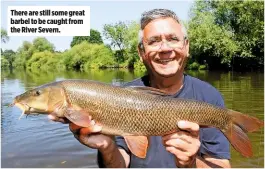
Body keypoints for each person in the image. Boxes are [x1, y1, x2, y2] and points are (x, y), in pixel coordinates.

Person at [49, 9, 231, 168]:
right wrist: (108, 148)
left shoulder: (208, 96)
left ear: (186, 46)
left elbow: (223, 165)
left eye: (173, 39)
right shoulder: (118, 97)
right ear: (141, 52)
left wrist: (191, 163)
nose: (164, 48)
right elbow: (119, 165)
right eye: (154, 41)